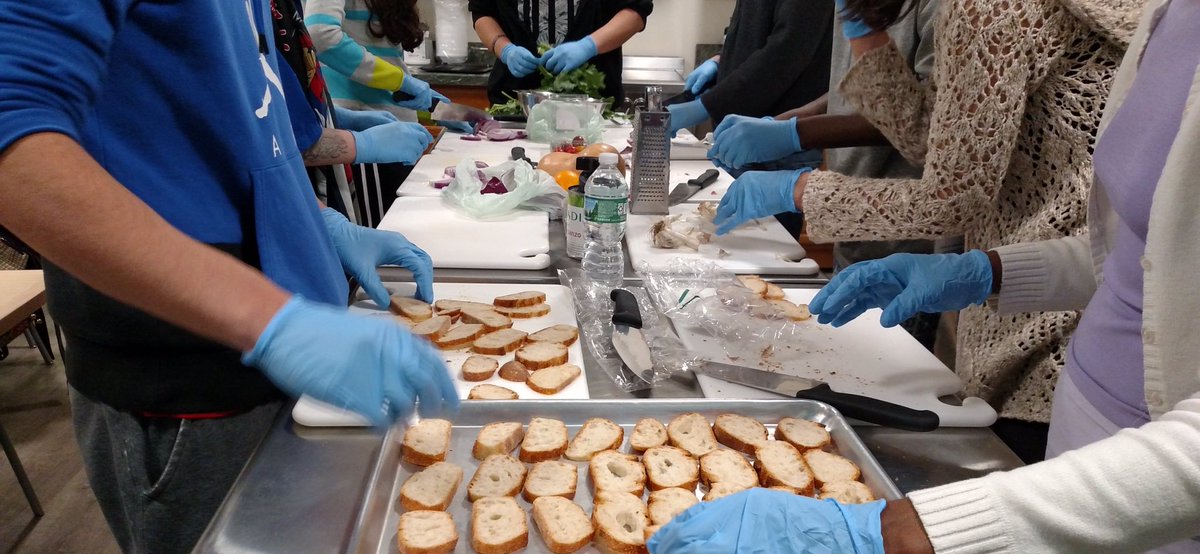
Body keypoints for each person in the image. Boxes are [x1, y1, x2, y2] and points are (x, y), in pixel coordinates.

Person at [651, 1, 1200, 554]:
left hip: (1163, 520)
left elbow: (953, 190)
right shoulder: (1167, 19)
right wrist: (988, 270)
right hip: (1085, 438)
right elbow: (1136, 255)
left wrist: (894, 533)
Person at [0, 1, 458, 554]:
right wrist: (272, 320)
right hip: (186, 383)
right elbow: (15, 140)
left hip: (268, 377)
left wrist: (319, 222)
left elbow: (234, 133)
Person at [708, 0, 1141, 463]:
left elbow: (952, 196)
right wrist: (864, 33)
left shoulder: (991, 8)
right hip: (1055, 281)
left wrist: (801, 191)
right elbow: (927, 136)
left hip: (1058, 309)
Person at [665, 0, 834, 145]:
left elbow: (787, 53)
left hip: (778, 143)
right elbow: (756, 34)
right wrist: (721, 61)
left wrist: (707, 106)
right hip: (746, 138)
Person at [469, 0, 653, 104]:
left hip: (593, 106)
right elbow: (482, 12)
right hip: (515, 104)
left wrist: (588, 45)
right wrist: (504, 48)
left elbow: (635, 12)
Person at [305, 0, 452, 121]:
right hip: (354, 127)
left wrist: (436, 107)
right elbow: (320, 34)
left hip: (395, 129)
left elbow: (381, 55)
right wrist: (400, 81)